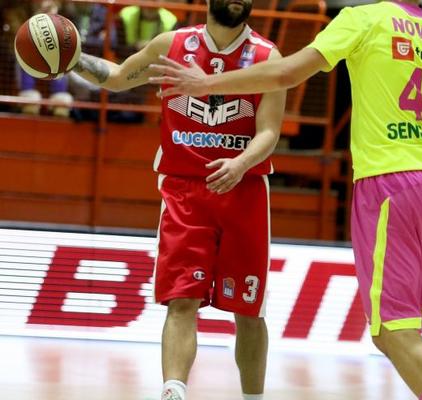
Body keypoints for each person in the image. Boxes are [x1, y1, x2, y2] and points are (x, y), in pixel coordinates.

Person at [148, 1, 422, 399]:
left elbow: (286, 73)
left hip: (389, 184)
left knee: (393, 330)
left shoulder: (364, 19)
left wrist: (207, 83)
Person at [72, 0, 286, 399]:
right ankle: (173, 391)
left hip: (244, 192)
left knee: (248, 312)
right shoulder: (171, 45)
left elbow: (269, 131)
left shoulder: (266, 56)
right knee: (181, 300)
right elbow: (117, 77)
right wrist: (72, 59)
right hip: (185, 192)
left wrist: (240, 164)